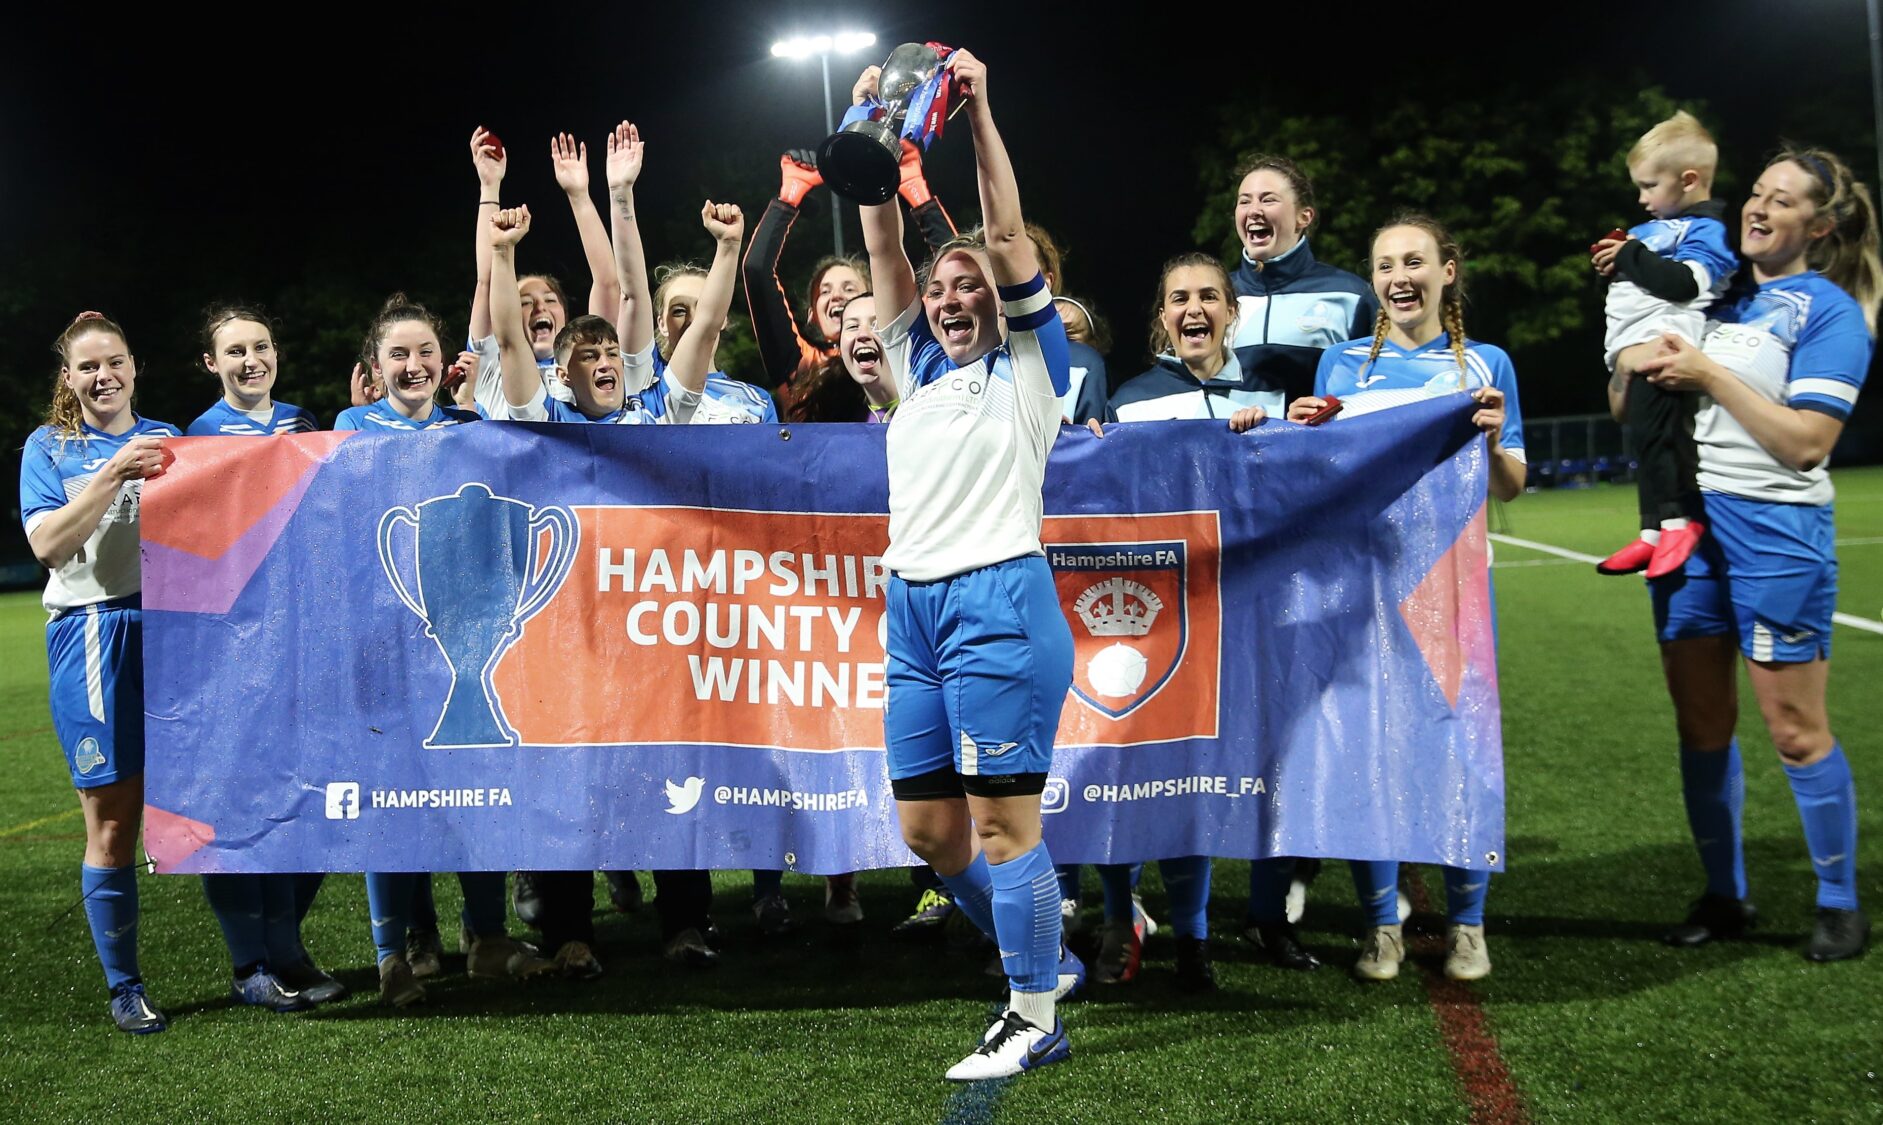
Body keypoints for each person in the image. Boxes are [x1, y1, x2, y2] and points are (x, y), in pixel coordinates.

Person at [858, 49, 1083, 1081]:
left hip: (998, 597)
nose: (950, 294)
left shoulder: (1032, 368)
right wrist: (873, 124)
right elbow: (878, 235)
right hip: (910, 612)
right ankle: (1047, 951)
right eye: (937, 286)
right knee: (930, 836)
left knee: (1000, 823)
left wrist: (979, 107)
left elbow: (998, 232)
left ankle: (1032, 1011)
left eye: (969, 285)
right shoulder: (912, 365)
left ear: (1003, 297)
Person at [1618, 148, 1879, 962]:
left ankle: (1838, 903)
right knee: (1700, 725)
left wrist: (1707, 375)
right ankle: (1723, 894)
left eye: (1782, 200)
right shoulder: (1712, 294)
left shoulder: (1826, 309)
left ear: (1820, 224)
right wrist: (1629, 363)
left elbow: (1805, 443)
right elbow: (1628, 402)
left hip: (1775, 533)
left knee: (1795, 730)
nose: (1758, 208)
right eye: (1756, 194)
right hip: (1690, 532)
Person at [1251, 214, 1525, 983]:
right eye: (1383, 265)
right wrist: (1301, 429)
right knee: (1369, 750)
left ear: (1448, 271)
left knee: (1458, 749)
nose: (1398, 276)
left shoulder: (1485, 363)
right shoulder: (1340, 366)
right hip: (1363, 583)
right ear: (1371, 280)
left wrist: (1495, 440)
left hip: (1453, 583)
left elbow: (1509, 485)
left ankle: (1467, 925)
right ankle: (1381, 926)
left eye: (1414, 261)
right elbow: (1323, 474)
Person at [335, 294, 556, 1004]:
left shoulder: (469, 428)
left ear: (443, 359)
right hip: (380, 647)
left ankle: (485, 936)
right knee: (391, 794)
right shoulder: (348, 427)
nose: (413, 364)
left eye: (424, 351)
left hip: (461, 639)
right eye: (398, 354)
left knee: (473, 787)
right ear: (374, 368)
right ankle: (392, 951)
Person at [1084, 251, 1271, 989]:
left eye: (1206, 297)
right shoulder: (1130, 398)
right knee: (1125, 776)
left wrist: (1271, 437)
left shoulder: (1267, 389)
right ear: (1161, 318)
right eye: (1176, 299)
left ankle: (1193, 939)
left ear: (1231, 309)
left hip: (1238, 615)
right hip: (1151, 618)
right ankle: (1114, 916)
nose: (1191, 309)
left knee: (1194, 780)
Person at [1226, 155, 1380, 966]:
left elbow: (1369, 404)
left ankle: (1309, 867)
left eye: (1269, 198)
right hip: (1241, 535)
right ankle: (1268, 873)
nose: (1253, 209)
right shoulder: (1211, 292)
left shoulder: (1350, 294)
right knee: (1253, 711)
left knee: (1323, 705)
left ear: (1304, 217)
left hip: (1319, 529)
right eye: (1243, 198)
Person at [21, 312, 179, 1033]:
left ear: (134, 365)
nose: (102, 375)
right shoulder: (49, 448)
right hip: (91, 633)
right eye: (87, 366)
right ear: (68, 378)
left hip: (179, 630)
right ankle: (125, 985)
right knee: (112, 823)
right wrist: (114, 472)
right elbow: (51, 544)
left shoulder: (174, 439)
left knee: (218, 804)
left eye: (113, 361)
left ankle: (258, 964)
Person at [186, 306, 344, 1009]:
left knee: (309, 801)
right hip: (235, 649)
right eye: (235, 350)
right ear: (211, 364)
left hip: (303, 642)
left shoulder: (302, 419)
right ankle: (251, 962)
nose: (251, 359)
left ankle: (285, 942)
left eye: (260, 346)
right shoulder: (199, 435)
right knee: (239, 807)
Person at [1592, 112, 1738, 579]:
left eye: (1650, 186)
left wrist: (1630, 255)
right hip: (1630, 346)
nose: (1642, 198)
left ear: (1690, 180)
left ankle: (1678, 521)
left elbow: (1683, 285)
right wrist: (1611, 269)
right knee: (1646, 440)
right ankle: (1653, 529)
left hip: (1665, 345)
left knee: (1663, 440)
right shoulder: (1656, 228)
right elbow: (1637, 284)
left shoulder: (1705, 229)